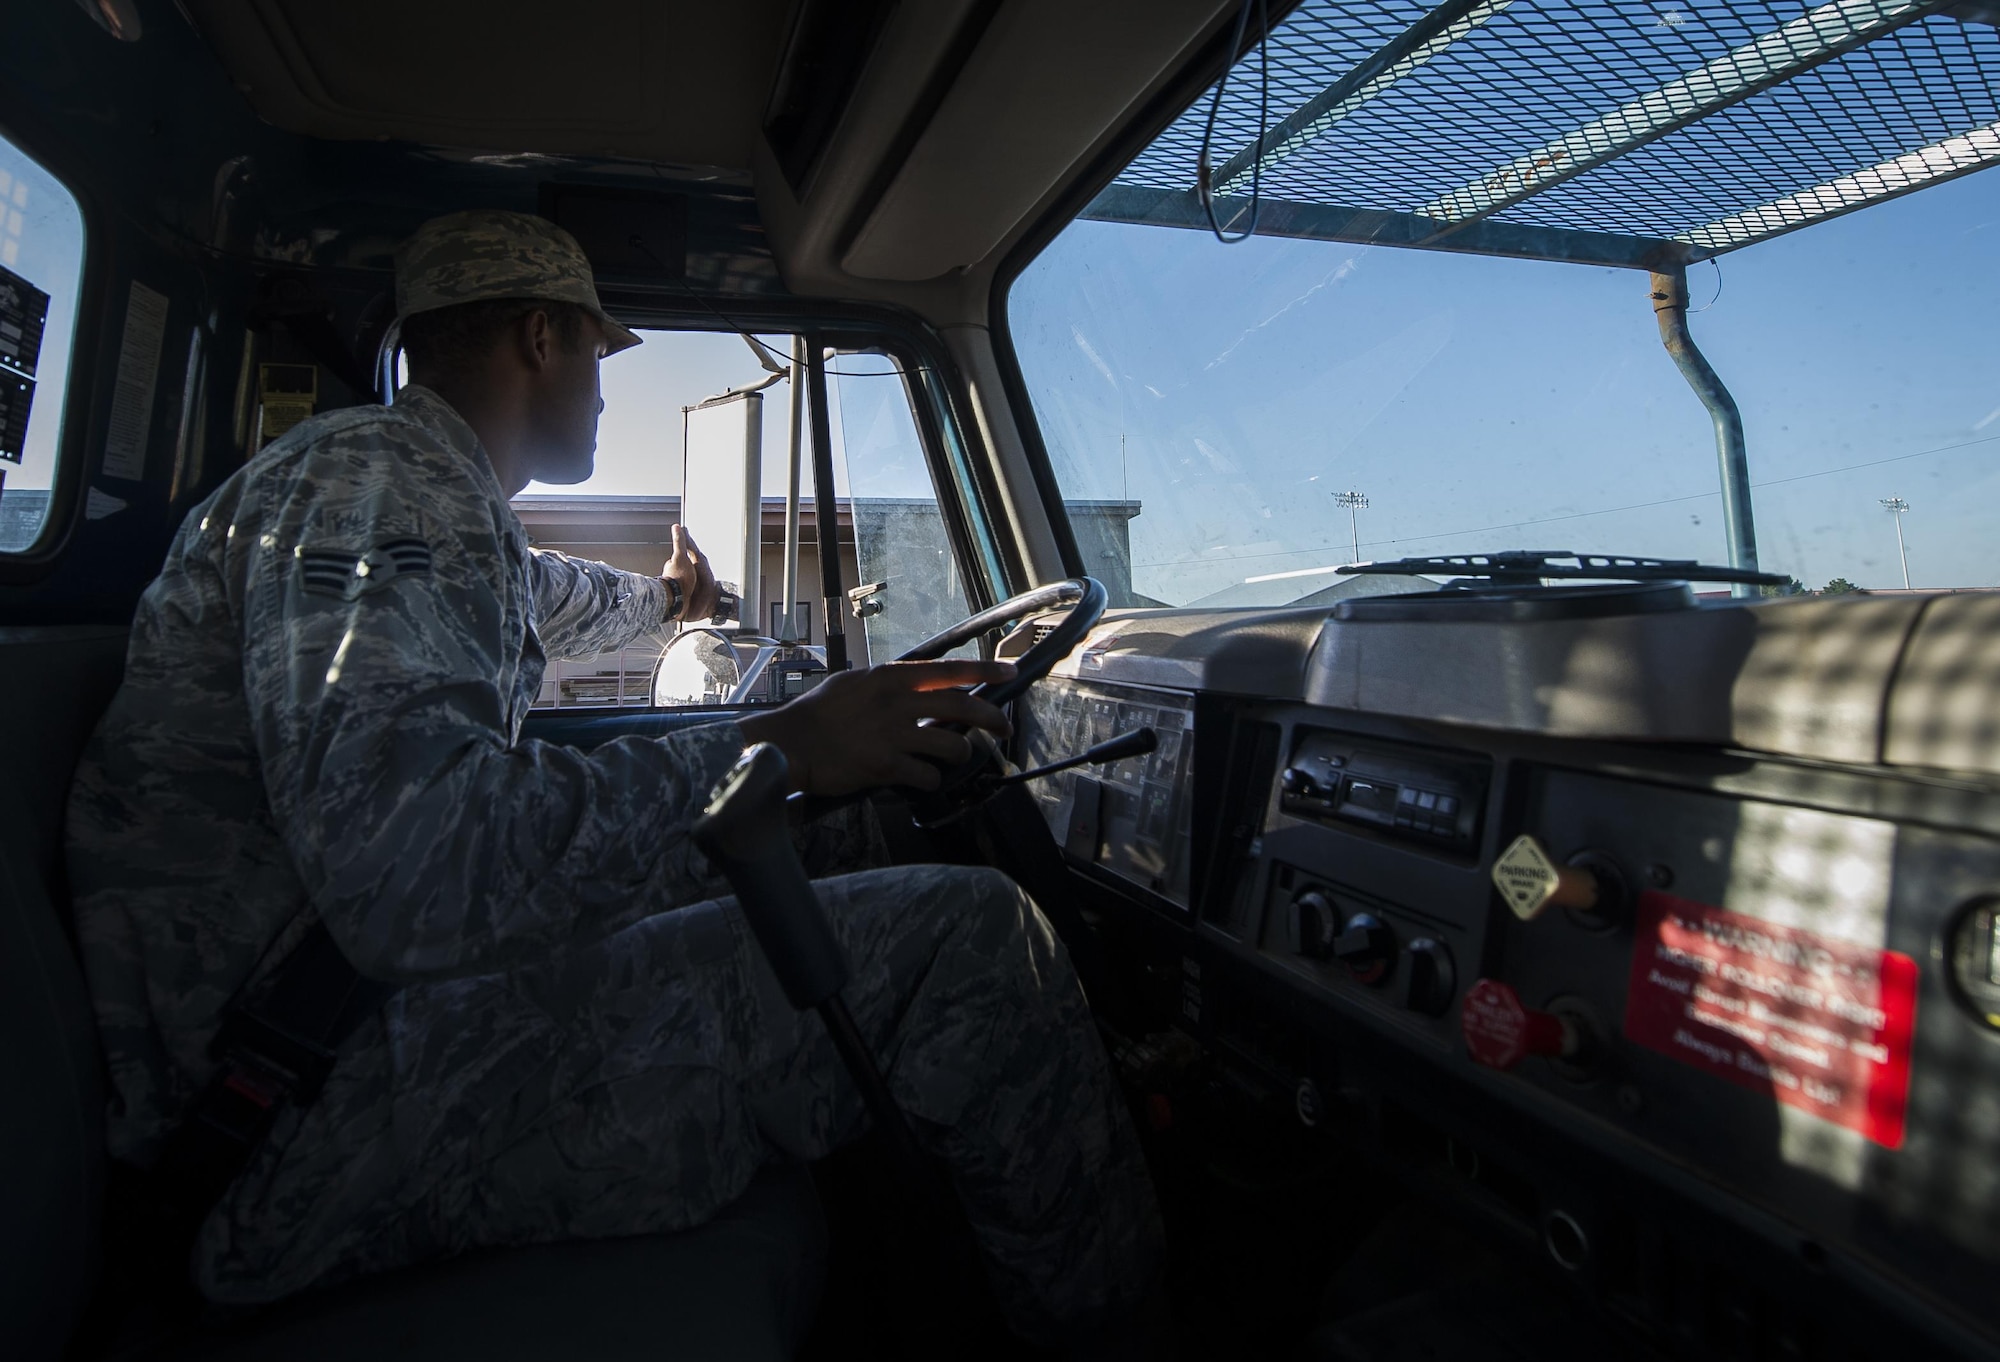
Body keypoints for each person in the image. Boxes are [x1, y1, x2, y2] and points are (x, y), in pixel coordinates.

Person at [66, 210, 1163, 1353]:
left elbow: (557, 597)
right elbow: (418, 873)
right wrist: (780, 746)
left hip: (331, 1028)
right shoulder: (377, 484)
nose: (601, 389)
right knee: (969, 940)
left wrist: (679, 609)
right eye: (599, 353)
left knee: (849, 830)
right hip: (298, 1120)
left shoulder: (433, 499)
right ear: (543, 337)